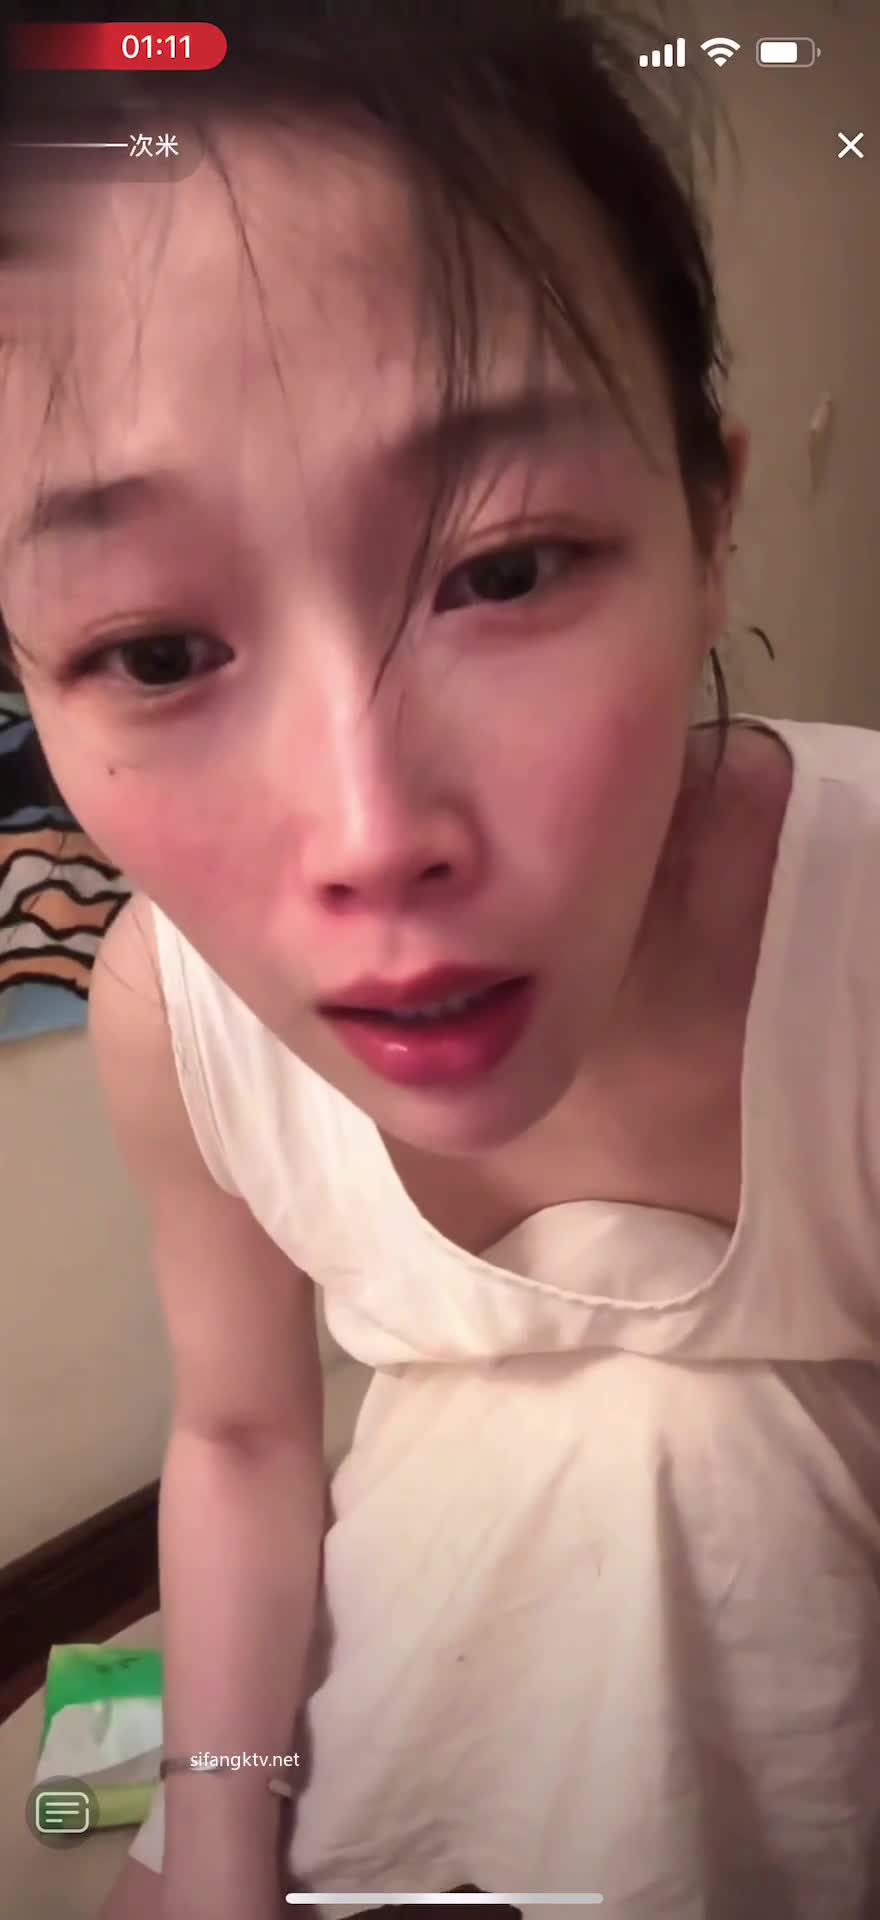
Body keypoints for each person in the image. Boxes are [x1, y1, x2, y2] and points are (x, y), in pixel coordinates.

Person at [1, 3, 879, 1916]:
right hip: (430, 1645)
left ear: (709, 527)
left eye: (503, 569)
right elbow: (246, 1436)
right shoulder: (168, 1013)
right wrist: (218, 1833)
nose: (368, 828)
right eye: (155, 651)